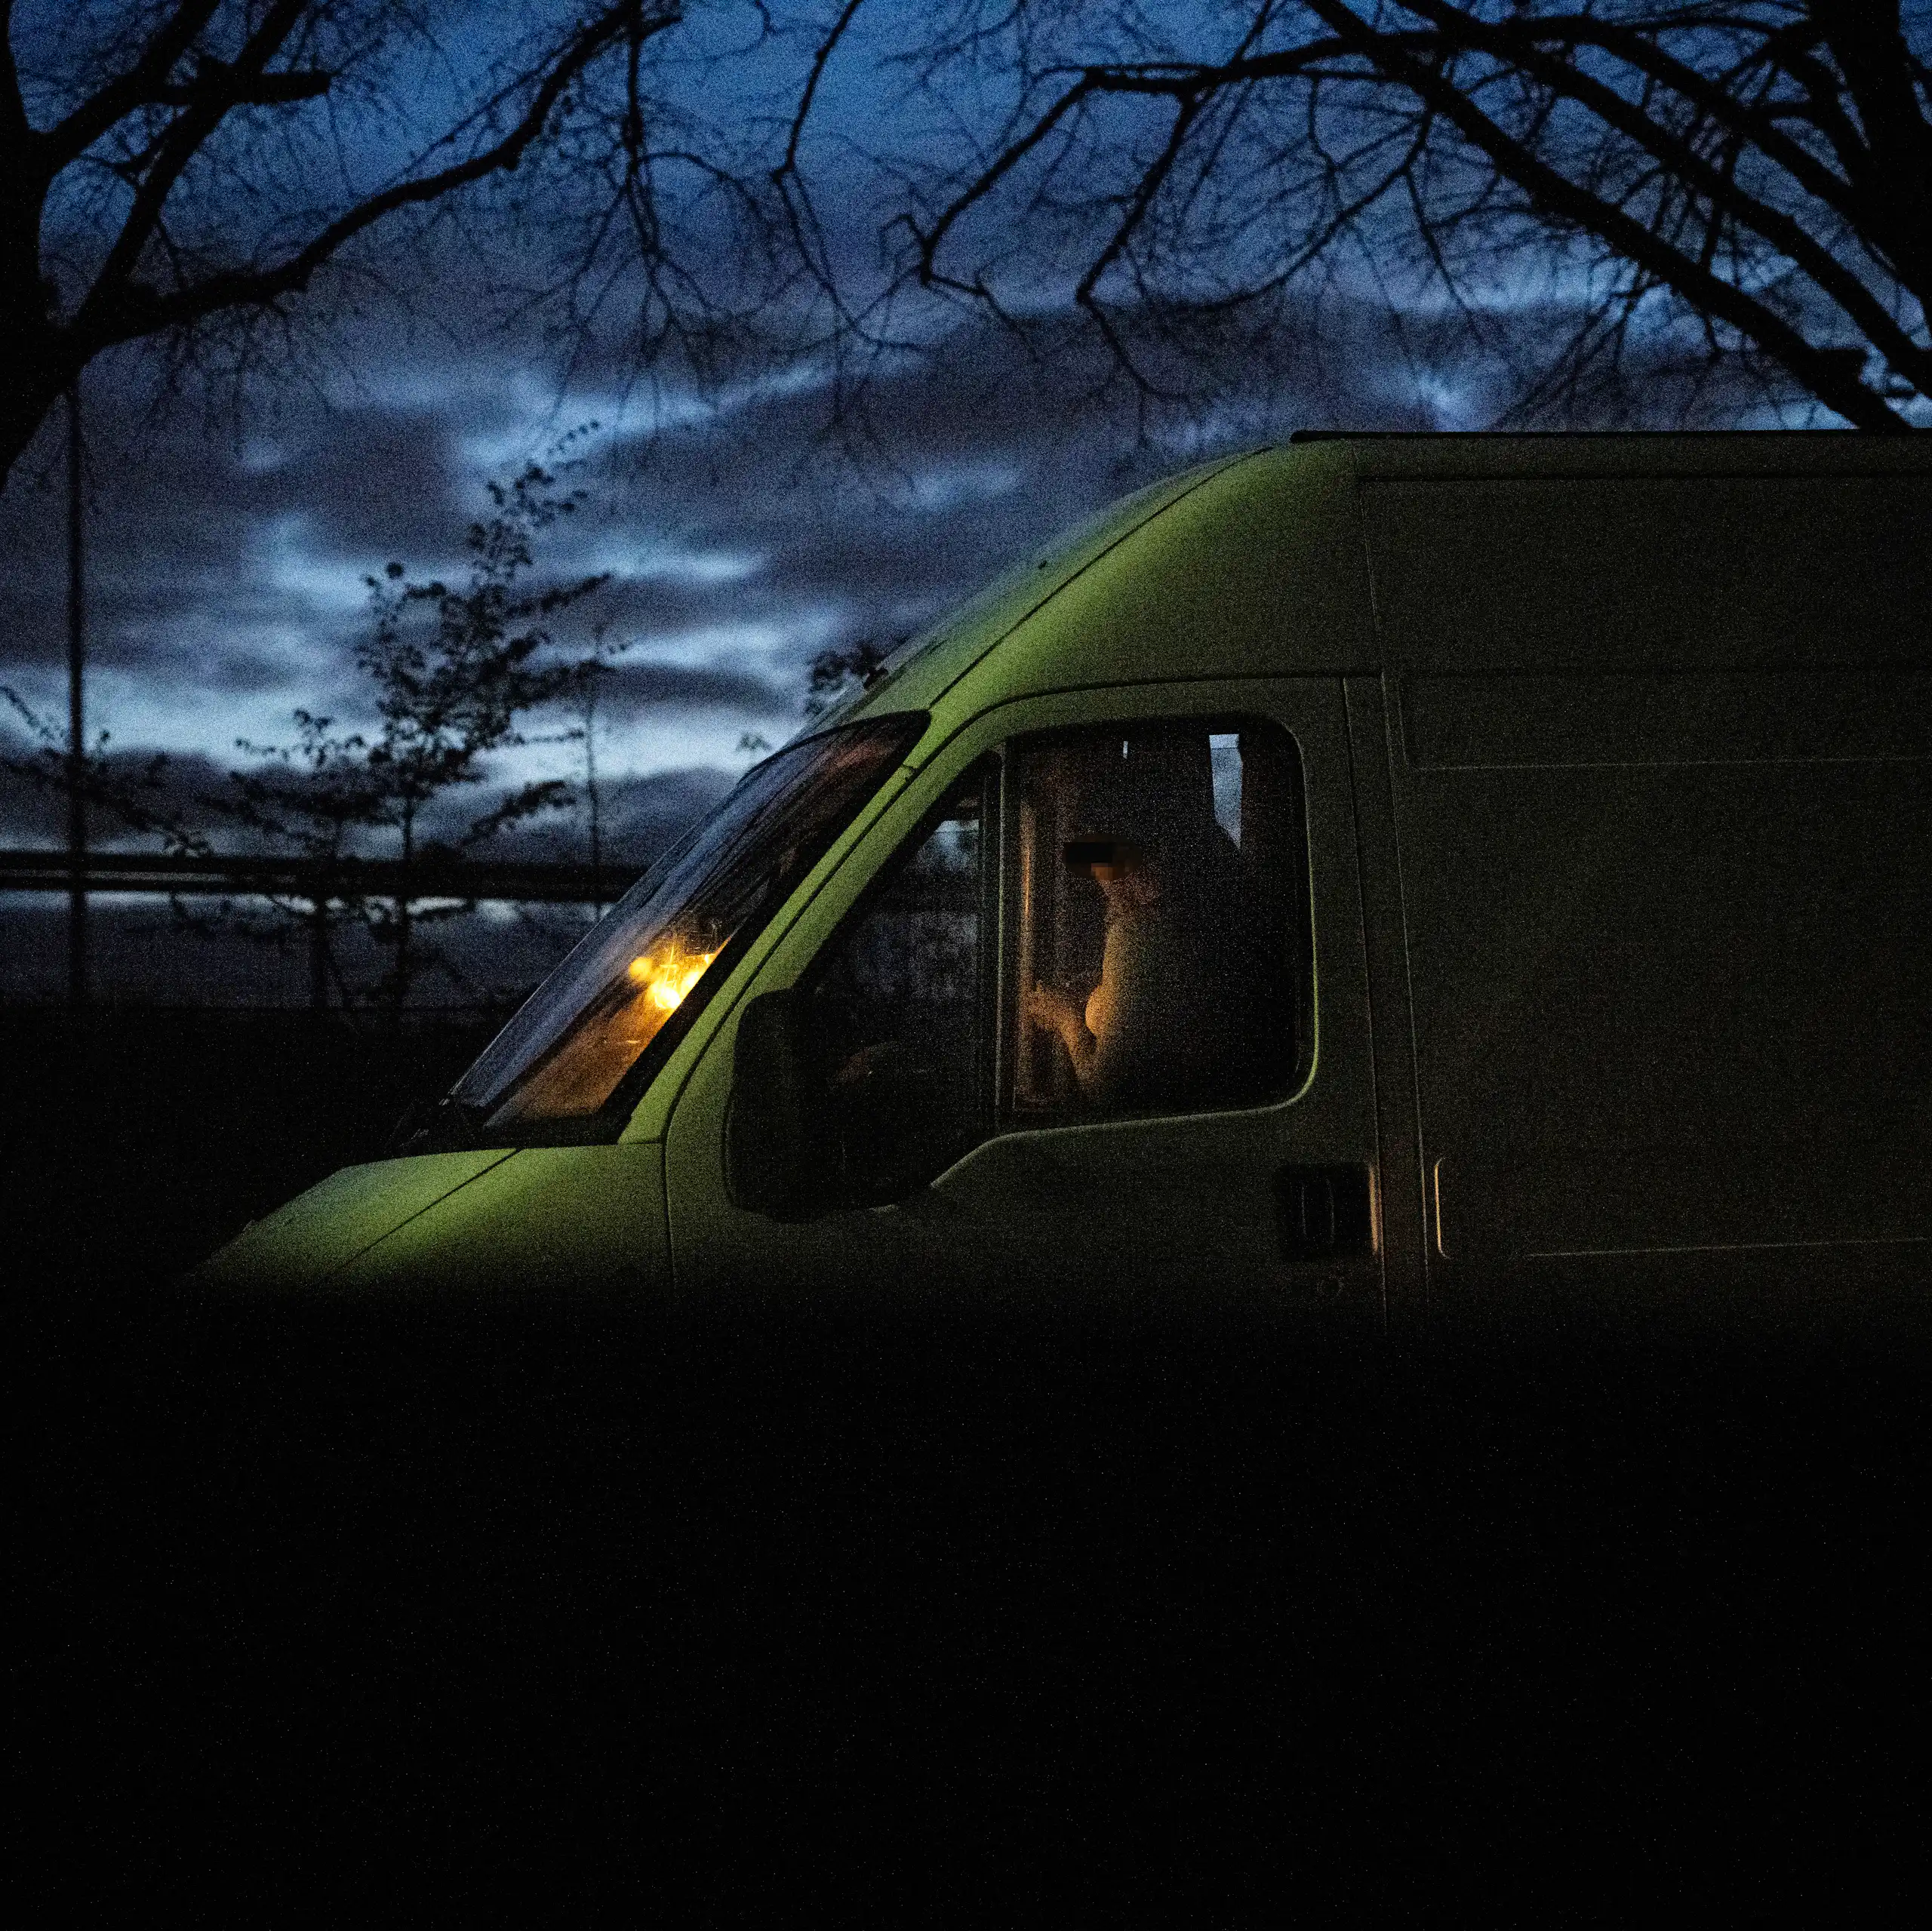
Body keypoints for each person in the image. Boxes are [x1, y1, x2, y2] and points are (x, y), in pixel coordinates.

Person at [1025, 832, 1277, 1111]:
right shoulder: (1220, 929)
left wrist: (1065, 1019)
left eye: (1101, 868)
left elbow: (1108, 1088)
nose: (1100, 884)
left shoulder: (1138, 933)